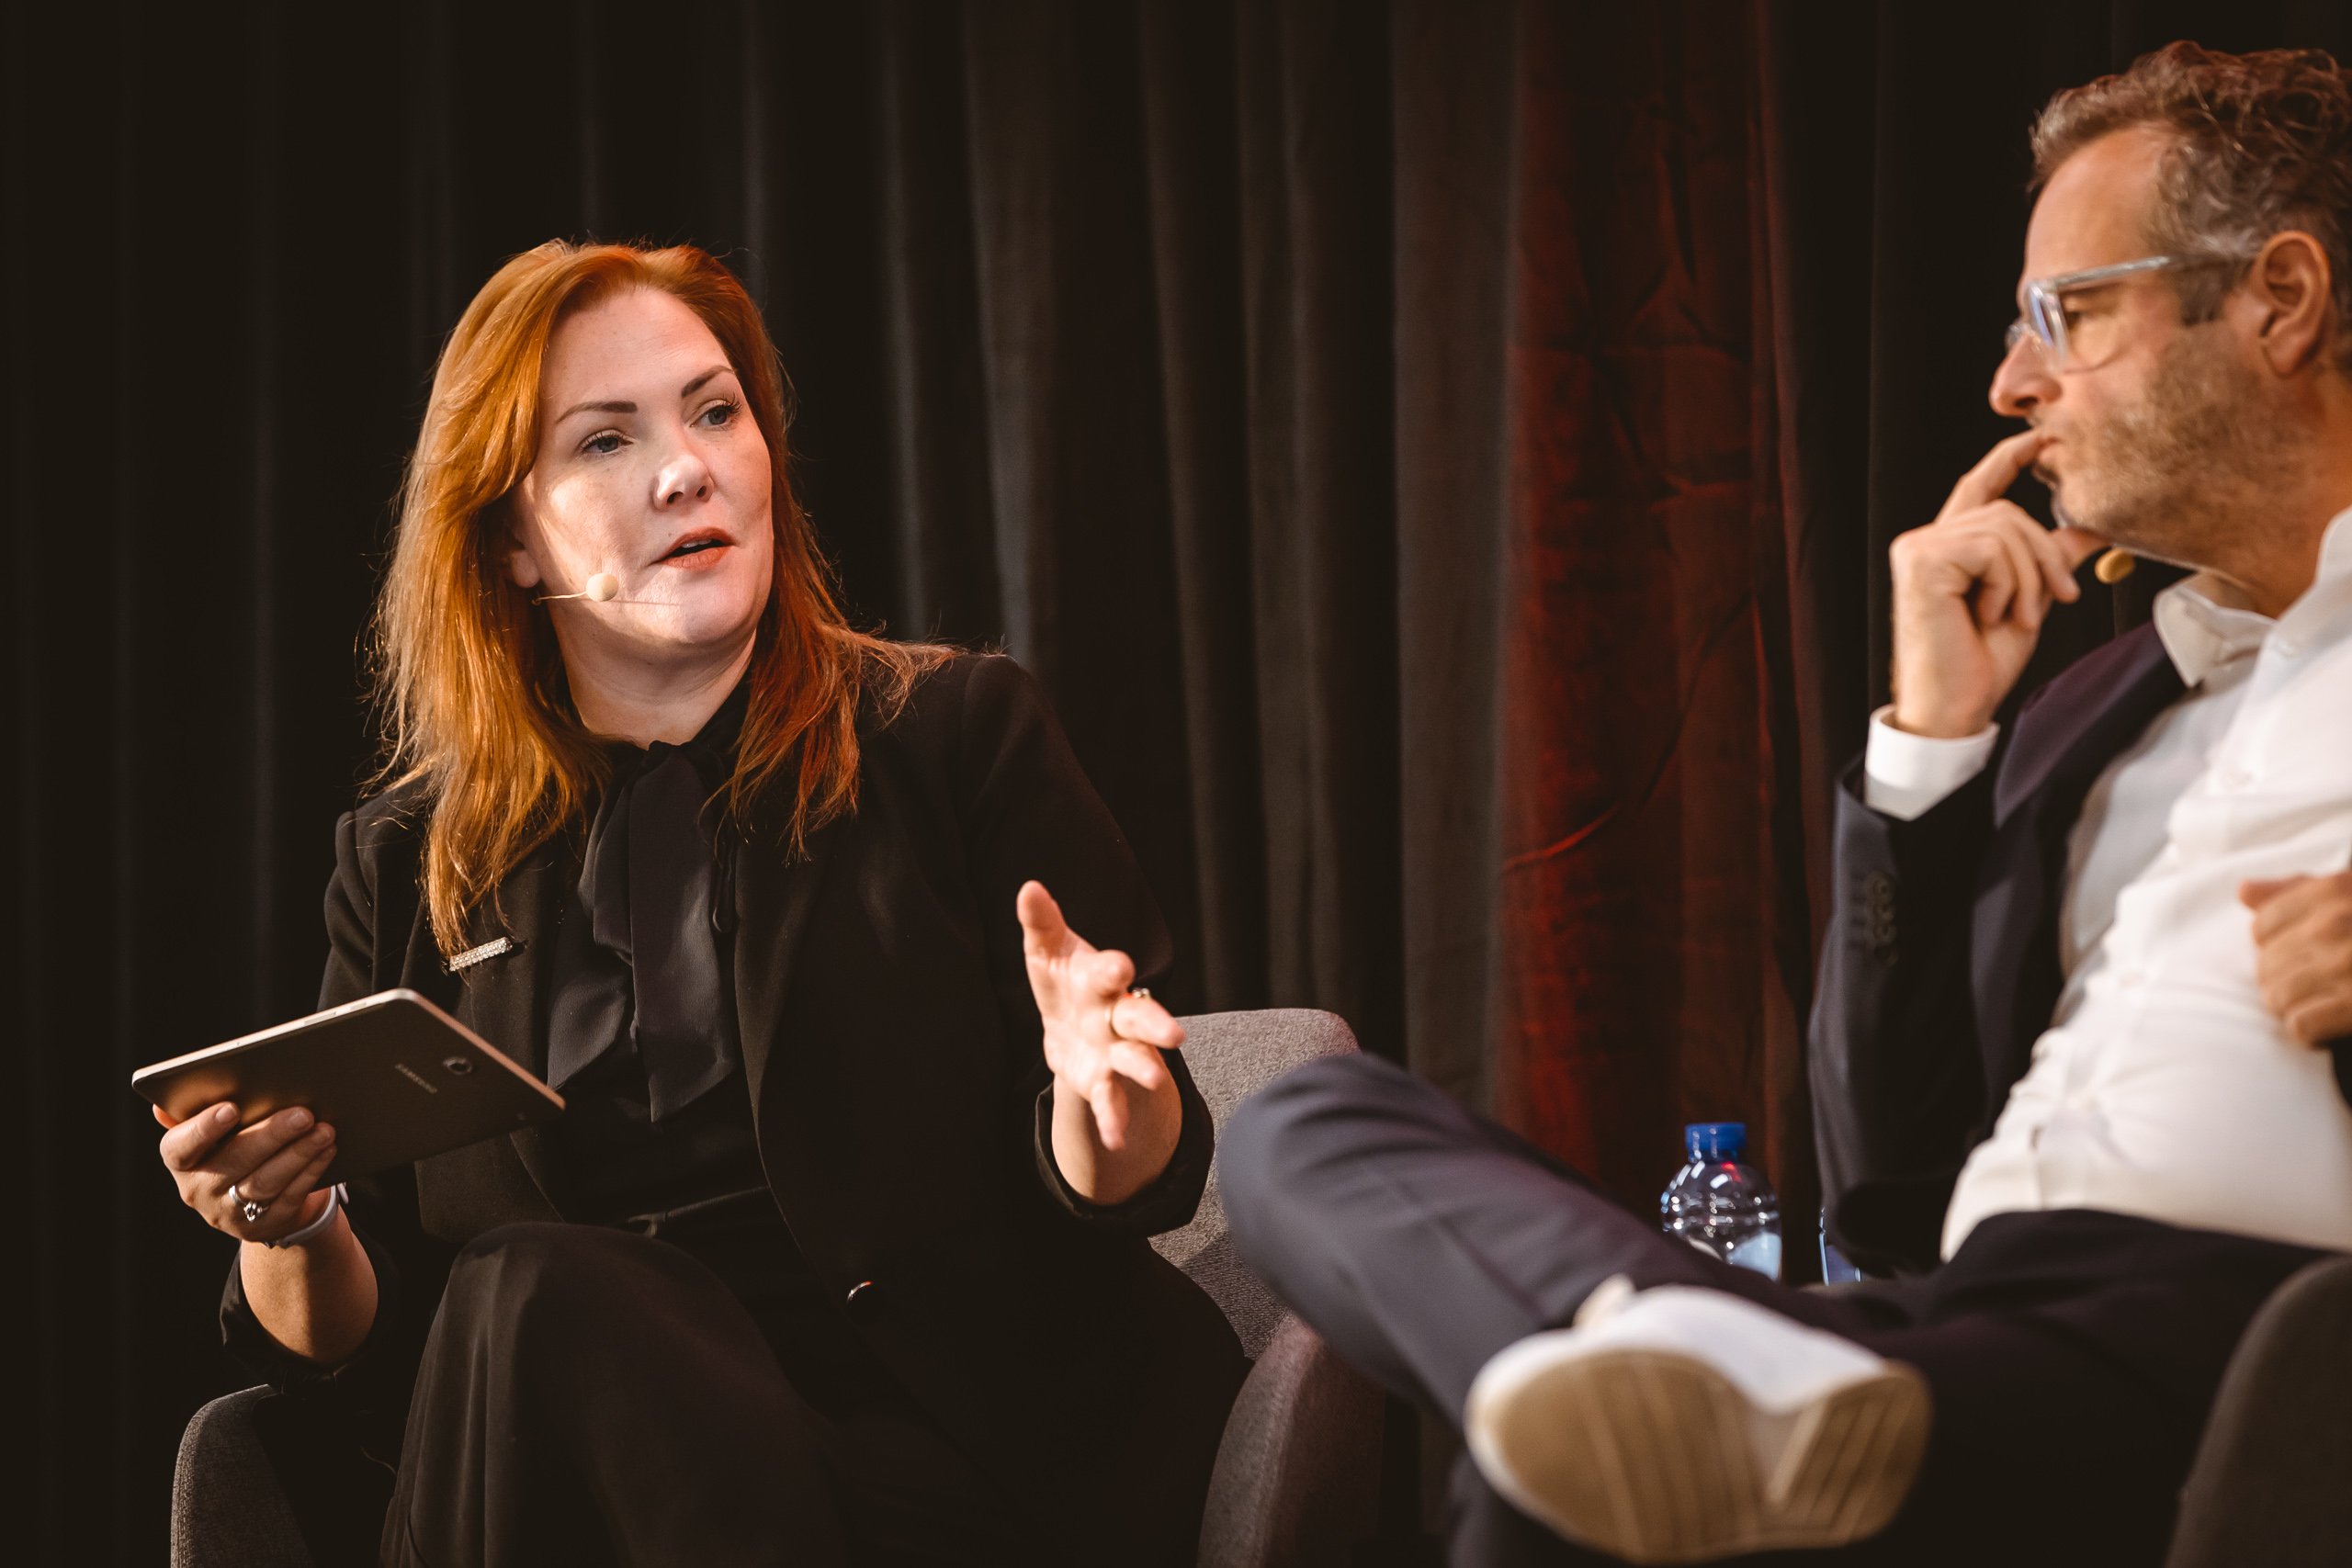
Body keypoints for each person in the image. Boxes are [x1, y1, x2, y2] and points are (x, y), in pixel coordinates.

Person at [1212, 41, 2352, 1568]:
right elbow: (1883, 1180)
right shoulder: (2093, 713)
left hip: (2234, 1343)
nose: (2012, 385)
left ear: (2281, 300)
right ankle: (1699, 1375)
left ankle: (1714, 1397)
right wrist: (1933, 747)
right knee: (1300, 1121)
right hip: (1935, 1313)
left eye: (2065, 318)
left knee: (1547, 1493)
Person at [151, 241, 1245, 1567]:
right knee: (519, 1305)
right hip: (572, 1485)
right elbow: (345, 1350)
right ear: (506, 535)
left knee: (528, 1284)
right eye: (606, 443)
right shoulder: (409, 862)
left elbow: (1138, 1169)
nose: (690, 468)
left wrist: (1105, 1106)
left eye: (716, 411)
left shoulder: (952, 737)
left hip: (946, 1466)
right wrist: (294, 1216)